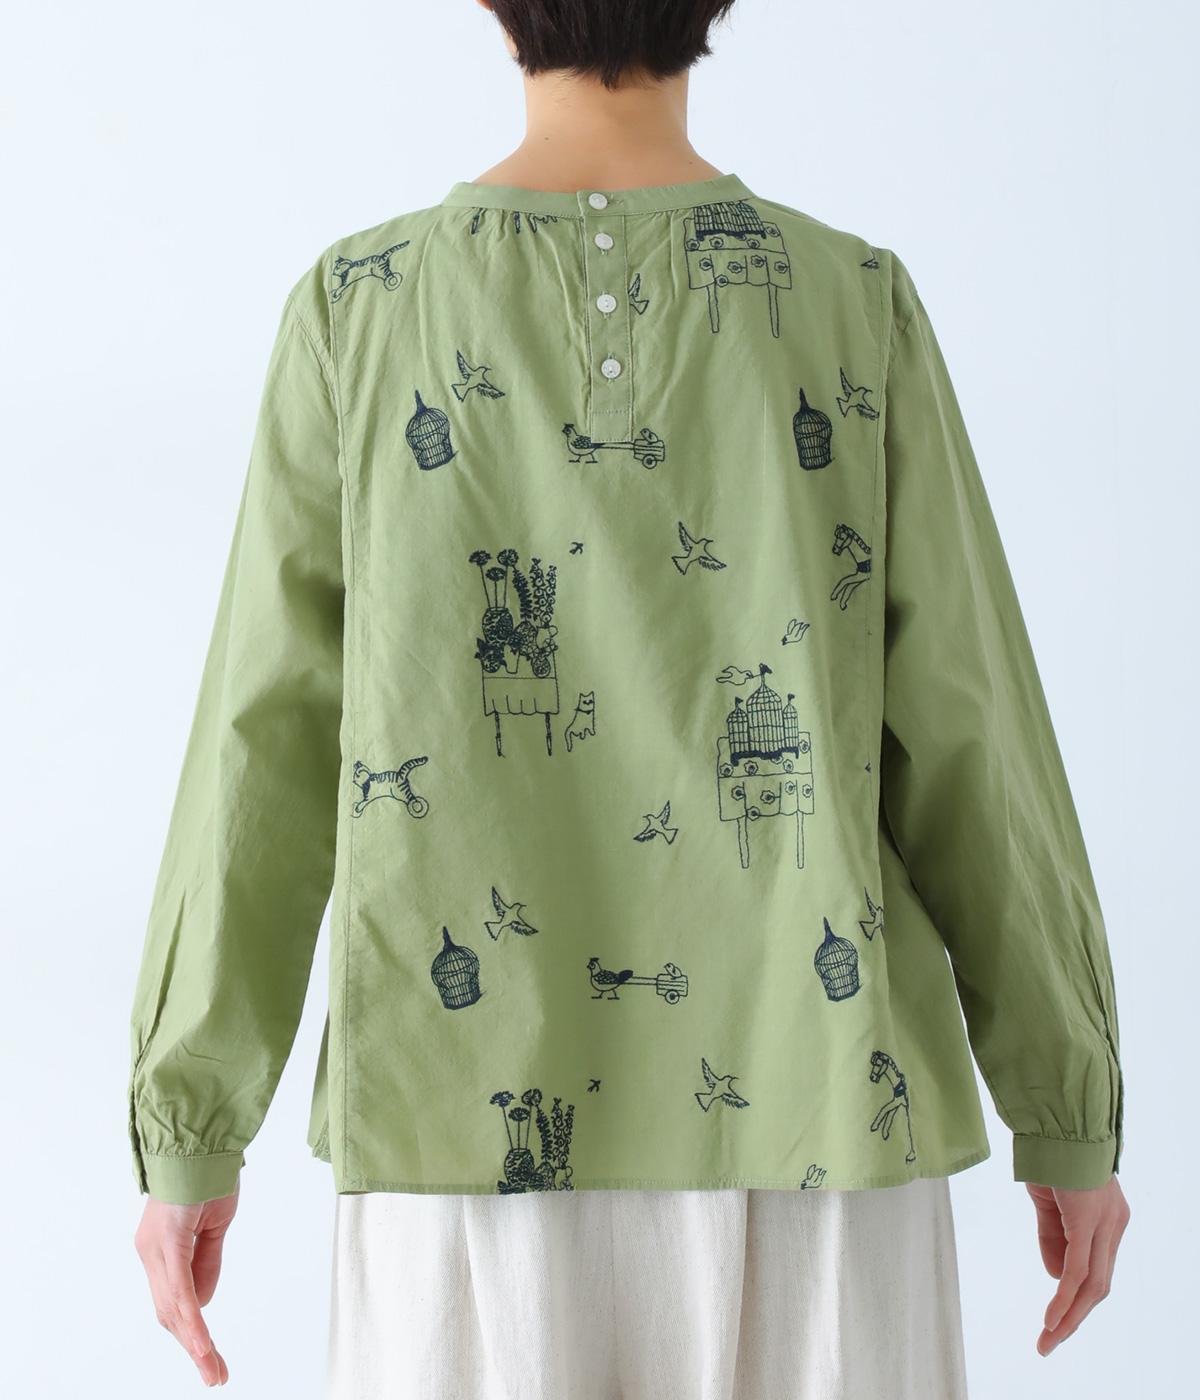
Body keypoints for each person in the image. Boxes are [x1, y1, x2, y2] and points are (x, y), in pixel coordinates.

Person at [128, 2, 1130, 1394]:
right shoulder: (852, 304)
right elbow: (973, 735)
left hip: (461, 1136)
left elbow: (263, 751)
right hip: (821, 1117)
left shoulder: (358, 312)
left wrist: (188, 1132)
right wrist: (1067, 1108)